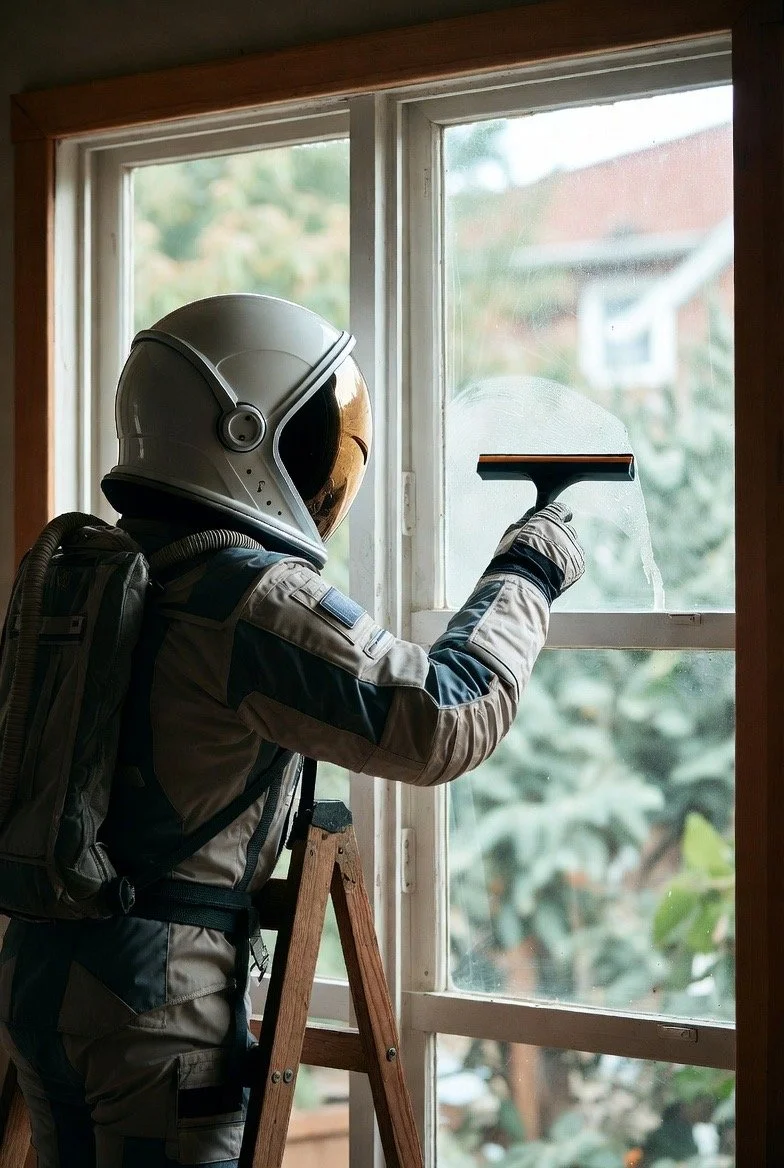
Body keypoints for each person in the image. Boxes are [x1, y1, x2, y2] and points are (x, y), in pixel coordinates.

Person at [0, 293, 584, 1167]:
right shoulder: (248, 596)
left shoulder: (96, 570)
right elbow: (443, 718)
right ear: (249, 437)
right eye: (318, 433)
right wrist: (530, 567)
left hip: (41, 971)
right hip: (155, 1003)